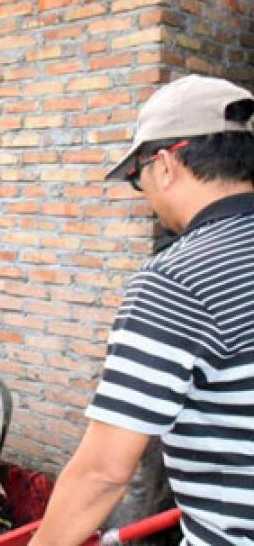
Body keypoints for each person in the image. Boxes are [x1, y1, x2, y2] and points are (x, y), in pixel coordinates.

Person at [30, 75, 254, 545]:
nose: (145, 192)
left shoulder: (177, 280)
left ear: (167, 162)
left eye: (138, 176)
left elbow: (103, 472)